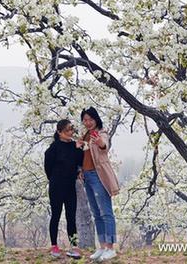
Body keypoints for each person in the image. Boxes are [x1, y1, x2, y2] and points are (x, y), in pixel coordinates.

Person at [76, 107, 120, 261]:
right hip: (87, 176)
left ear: (96, 119)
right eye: (85, 120)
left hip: (98, 175)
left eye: (90, 119)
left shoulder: (101, 133)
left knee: (106, 211)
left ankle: (110, 247)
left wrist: (100, 142)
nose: (88, 122)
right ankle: (102, 247)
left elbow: (104, 146)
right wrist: (80, 169)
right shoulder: (85, 135)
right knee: (96, 213)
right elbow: (84, 156)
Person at [44, 119, 84, 259]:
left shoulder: (74, 145)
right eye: (67, 130)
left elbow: (79, 162)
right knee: (55, 215)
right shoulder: (54, 148)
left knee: (71, 216)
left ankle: (74, 247)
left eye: (71, 129)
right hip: (56, 186)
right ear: (59, 132)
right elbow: (48, 166)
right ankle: (54, 246)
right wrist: (55, 178)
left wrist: (78, 148)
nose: (70, 132)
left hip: (70, 186)